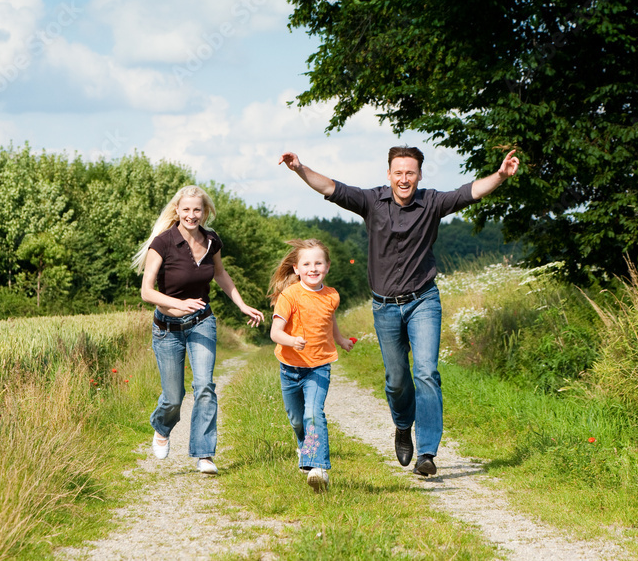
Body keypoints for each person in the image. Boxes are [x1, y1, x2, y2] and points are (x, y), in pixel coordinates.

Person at [277, 146, 519, 476]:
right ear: (388, 174)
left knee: (426, 373)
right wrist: (299, 168)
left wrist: (501, 176)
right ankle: (403, 425)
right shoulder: (372, 202)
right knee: (396, 381)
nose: (404, 178)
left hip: (423, 302)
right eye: (398, 172)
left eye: (410, 172)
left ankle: (428, 453)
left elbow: (469, 192)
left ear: (419, 175)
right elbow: (331, 187)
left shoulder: (432, 202)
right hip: (385, 307)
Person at [132, 185, 265, 475]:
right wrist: (177, 305)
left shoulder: (212, 241)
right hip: (167, 328)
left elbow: (220, 274)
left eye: (198, 209)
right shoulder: (163, 243)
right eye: (186, 209)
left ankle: (204, 454)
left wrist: (241, 304)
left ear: (205, 212)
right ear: (177, 211)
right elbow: (146, 291)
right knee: (173, 397)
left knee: (205, 386)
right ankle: (162, 426)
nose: (192, 215)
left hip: (202, 322)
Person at [268, 238, 353, 492]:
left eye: (318, 263)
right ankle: (305, 446)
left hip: (319, 366)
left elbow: (329, 319)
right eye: (307, 264)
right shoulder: (290, 295)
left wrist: (340, 339)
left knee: (313, 413)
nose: (313, 268)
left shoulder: (332, 295)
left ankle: (317, 468)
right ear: (296, 269)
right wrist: (291, 340)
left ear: (327, 267)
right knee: (297, 419)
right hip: (290, 367)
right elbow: (275, 332)